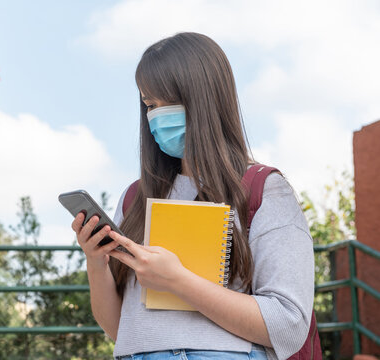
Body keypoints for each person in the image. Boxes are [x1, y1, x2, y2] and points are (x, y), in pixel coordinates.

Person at [71, 32, 314, 360]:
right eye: (149, 105)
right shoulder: (135, 198)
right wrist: (95, 261)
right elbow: (120, 330)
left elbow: (288, 323)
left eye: (166, 102)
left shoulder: (262, 189)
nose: (156, 117)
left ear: (205, 98)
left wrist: (177, 281)